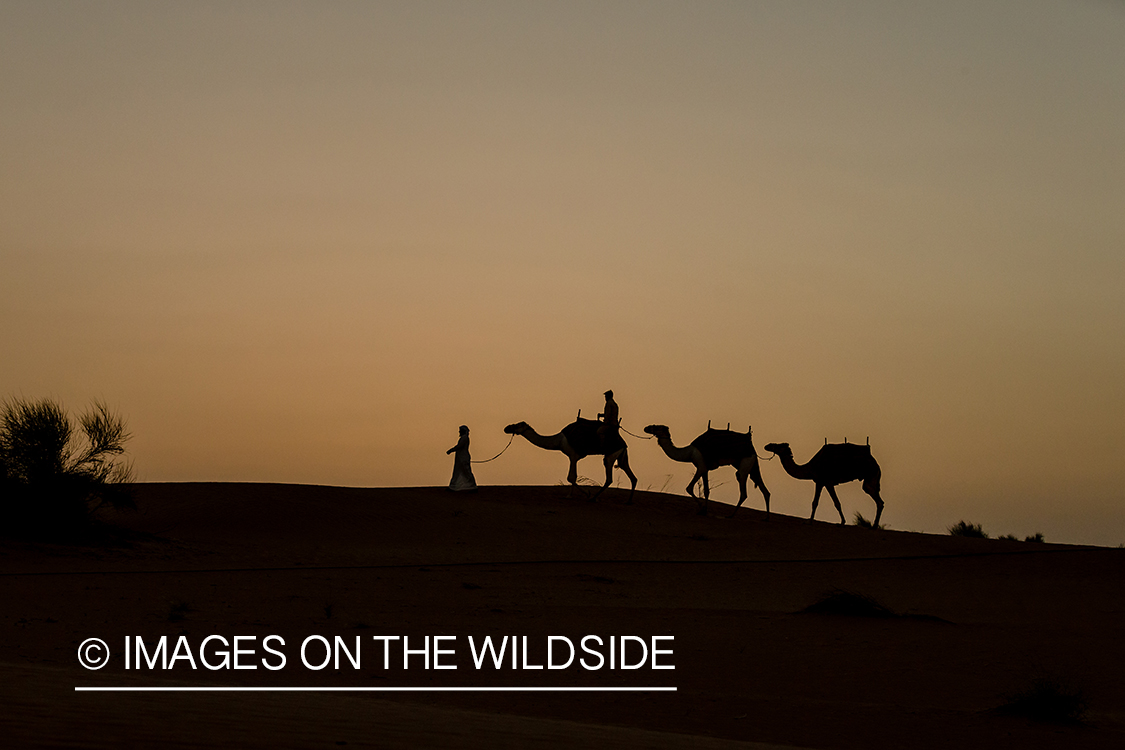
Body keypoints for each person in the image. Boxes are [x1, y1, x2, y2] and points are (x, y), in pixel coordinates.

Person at [446, 425, 477, 492]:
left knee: (466, 471)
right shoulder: (464, 438)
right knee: (458, 472)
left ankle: (472, 486)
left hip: (463, 458)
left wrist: (451, 450)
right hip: (461, 458)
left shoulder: (464, 438)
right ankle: (454, 486)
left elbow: (459, 446)